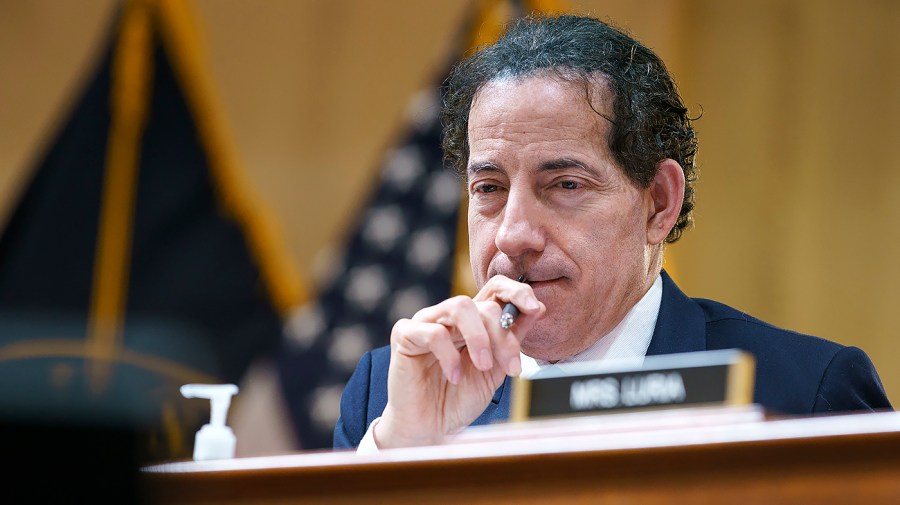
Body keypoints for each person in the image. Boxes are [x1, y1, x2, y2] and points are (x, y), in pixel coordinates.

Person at [333, 14, 892, 450]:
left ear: (659, 203)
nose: (512, 235)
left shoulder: (809, 392)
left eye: (566, 185)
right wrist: (404, 455)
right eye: (489, 189)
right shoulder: (389, 396)